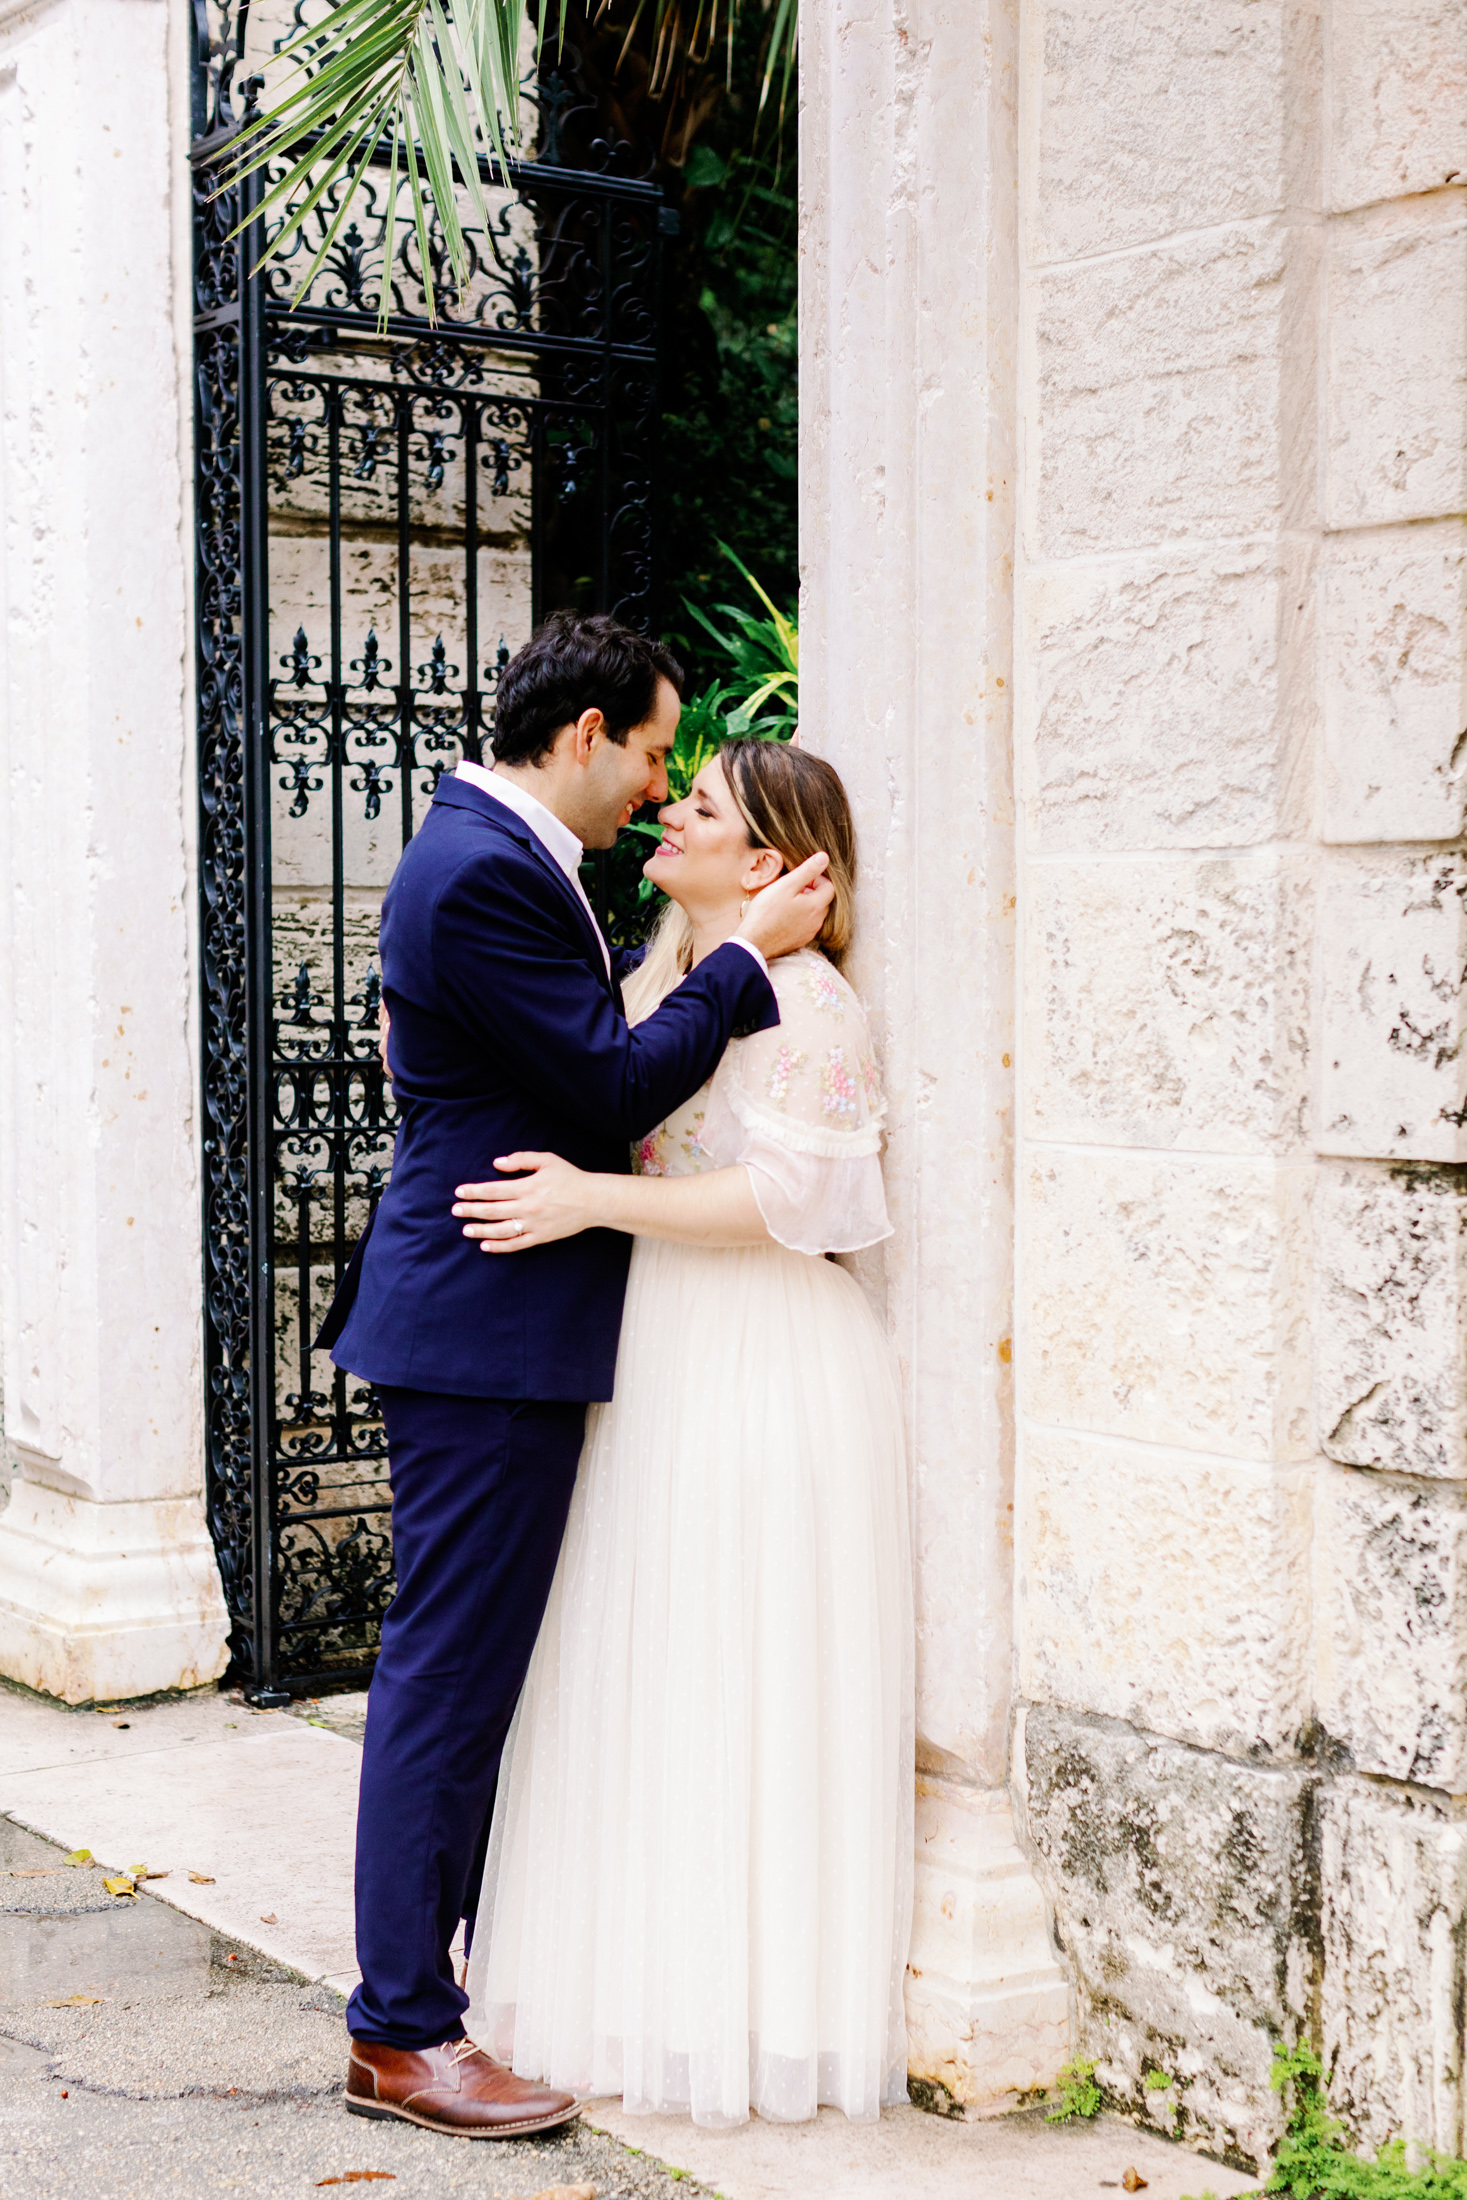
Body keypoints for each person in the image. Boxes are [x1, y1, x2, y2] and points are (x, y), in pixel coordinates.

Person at [317, 614, 835, 2139]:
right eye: (657, 750)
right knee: (447, 1676)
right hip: (483, 1323)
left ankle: (449, 1982)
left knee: (476, 1675)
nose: (659, 785)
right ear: (588, 732)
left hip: (503, 1322)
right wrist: (744, 957)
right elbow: (608, 1085)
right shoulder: (482, 866)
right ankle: (401, 2030)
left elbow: (529, 1045)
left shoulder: (497, 856)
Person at [451, 737, 914, 2130]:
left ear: (770, 863)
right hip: (654, 1353)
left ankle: (743, 2011)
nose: (670, 812)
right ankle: (637, 1986)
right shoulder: (658, 978)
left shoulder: (813, 1004)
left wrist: (597, 1202)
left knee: (734, 1666)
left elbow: (796, 1204)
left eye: (701, 808)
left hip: (762, 1360)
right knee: (639, 1662)